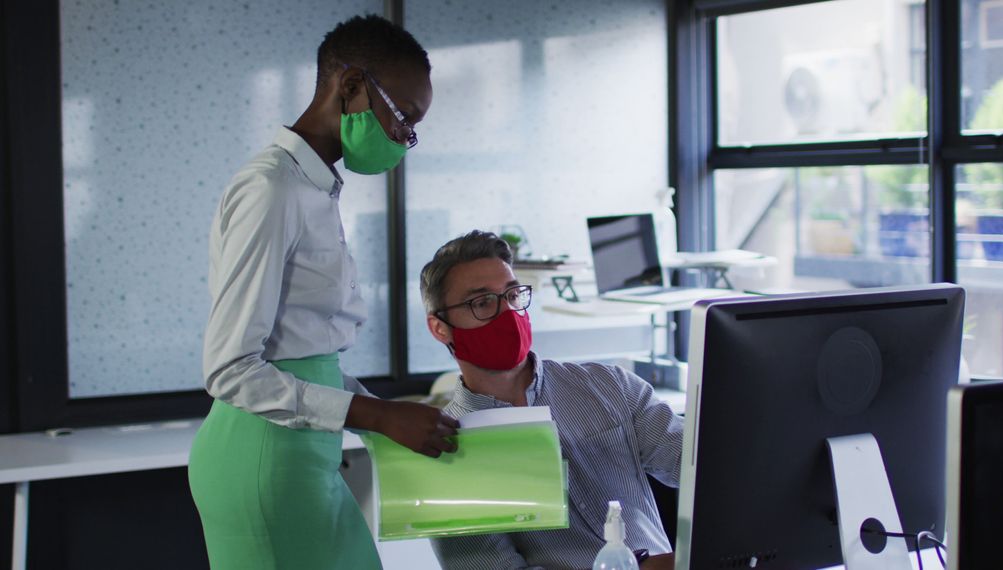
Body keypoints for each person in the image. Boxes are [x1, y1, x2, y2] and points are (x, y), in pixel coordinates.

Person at [188, 14, 459, 570]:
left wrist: (382, 410)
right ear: (352, 85)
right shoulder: (272, 188)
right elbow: (230, 368)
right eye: (403, 117)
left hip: (300, 450)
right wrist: (378, 416)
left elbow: (305, 355)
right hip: (263, 455)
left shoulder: (313, 187)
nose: (405, 138)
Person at [420, 231, 683, 570]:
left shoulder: (610, 386)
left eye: (513, 295)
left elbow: (697, 466)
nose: (508, 313)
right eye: (482, 302)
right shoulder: (445, 450)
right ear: (440, 328)